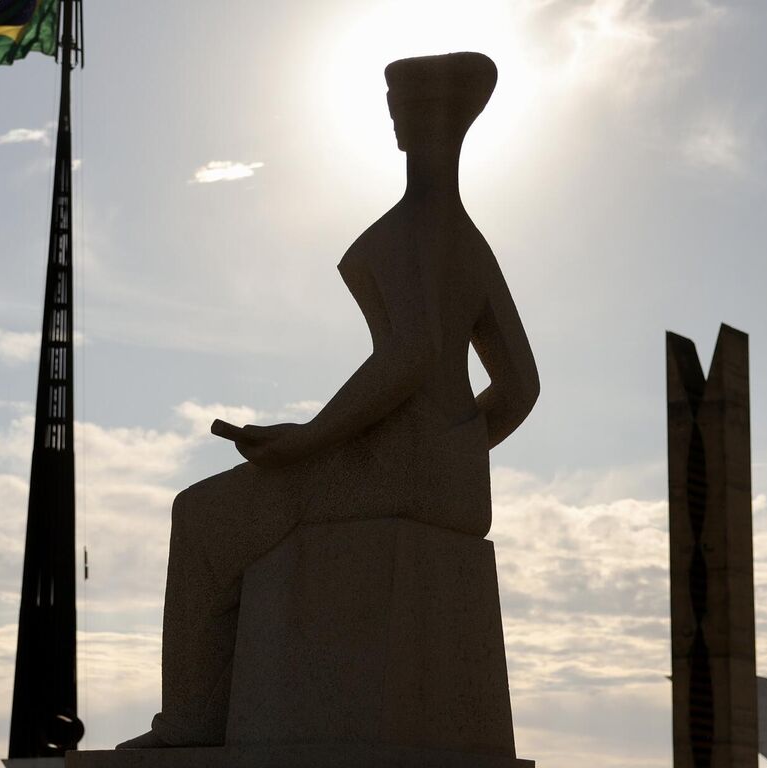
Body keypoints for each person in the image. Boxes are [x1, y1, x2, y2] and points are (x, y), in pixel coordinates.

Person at [119, 51, 538, 749]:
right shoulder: (470, 242)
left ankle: (191, 718)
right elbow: (521, 386)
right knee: (230, 509)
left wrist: (307, 441)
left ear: (416, 120)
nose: (393, 117)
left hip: (400, 467)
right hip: (454, 477)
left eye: (399, 105)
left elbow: (409, 355)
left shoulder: (406, 231)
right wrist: (457, 451)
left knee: (202, 517)